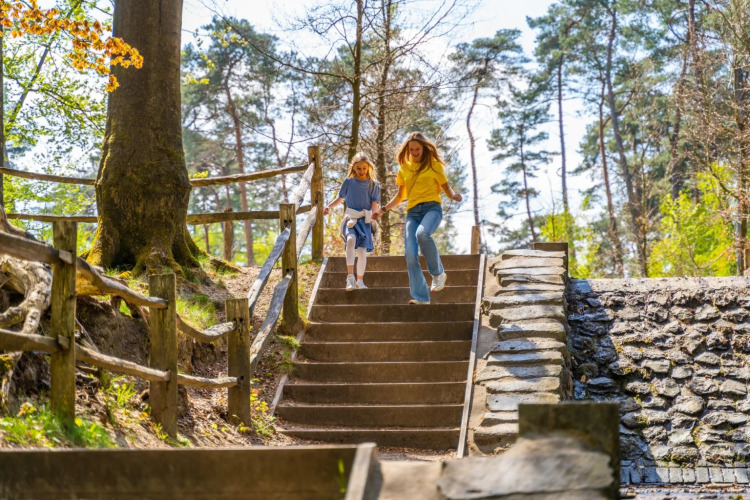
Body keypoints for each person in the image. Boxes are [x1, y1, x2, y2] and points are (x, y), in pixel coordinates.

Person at [376, 132, 462, 304]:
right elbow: (400, 196)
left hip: (432, 209)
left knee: (422, 234)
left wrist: (453, 196)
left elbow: (446, 187)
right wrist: (383, 209)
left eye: (417, 149)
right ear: (407, 150)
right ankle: (421, 297)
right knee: (409, 254)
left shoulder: (434, 164)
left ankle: (438, 274)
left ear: (424, 148)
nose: (414, 152)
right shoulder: (403, 168)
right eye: (411, 149)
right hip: (413, 213)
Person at [323, 152, 381, 291]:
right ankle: (350, 278)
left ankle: (360, 281)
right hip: (351, 218)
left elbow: (374, 203)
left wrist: (375, 213)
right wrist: (329, 206)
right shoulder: (348, 182)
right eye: (359, 168)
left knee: (361, 251)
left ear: (369, 168)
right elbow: (340, 198)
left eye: (364, 168)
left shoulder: (374, 185)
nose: (361, 171)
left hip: (365, 220)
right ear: (354, 167)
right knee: (350, 240)